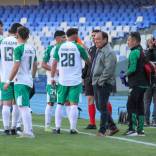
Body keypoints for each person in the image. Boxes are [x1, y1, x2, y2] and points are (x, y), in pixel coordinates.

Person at [51, 28, 90, 134]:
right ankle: (72, 128)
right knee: (74, 105)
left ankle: (57, 127)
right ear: (75, 35)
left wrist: (52, 78)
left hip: (63, 79)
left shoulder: (59, 46)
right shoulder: (78, 47)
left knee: (59, 104)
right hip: (75, 80)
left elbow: (54, 64)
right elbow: (88, 61)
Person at [4, 26, 37, 138]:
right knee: (24, 105)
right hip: (28, 80)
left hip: (20, 81)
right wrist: (31, 77)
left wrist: (8, 80)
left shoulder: (18, 49)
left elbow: (16, 65)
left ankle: (28, 131)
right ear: (27, 36)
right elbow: (35, 65)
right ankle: (28, 130)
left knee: (23, 106)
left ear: (17, 35)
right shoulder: (32, 48)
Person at [91, 31, 119, 136]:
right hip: (97, 82)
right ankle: (112, 126)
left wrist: (100, 81)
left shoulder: (109, 52)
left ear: (105, 40)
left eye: (98, 39)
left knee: (102, 107)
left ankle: (102, 130)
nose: (96, 41)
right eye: (95, 39)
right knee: (99, 106)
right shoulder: (100, 49)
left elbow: (109, 69)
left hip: (104, 83)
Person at [42, 30, 66, 132]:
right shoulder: (50, 49)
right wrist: (55, 70)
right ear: (57, 38)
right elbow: (43, 64)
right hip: (53, 81)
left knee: (64, 103)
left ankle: (64, 127)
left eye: (65, 37)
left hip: (65, 81)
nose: (65, 39)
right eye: (63, 37)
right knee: (51, 102)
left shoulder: (66, 48)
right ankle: (47, 126)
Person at [124, 32, 148, 136]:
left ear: (134, 41)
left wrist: (124, 74)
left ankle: (132, 129)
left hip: (135, 83)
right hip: (144, 84)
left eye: (129, 40)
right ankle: (141, 130)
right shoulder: (142, 51)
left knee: (131, 105)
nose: (127, 42)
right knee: (140, 105)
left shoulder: (134, 53)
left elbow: (132, 68)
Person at [0, 23, 22, 135]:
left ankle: (6, 128)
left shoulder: (2, 41)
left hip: (5, 77)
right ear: (18, 31)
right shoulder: (19, 42)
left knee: (6, 104)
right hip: (18, 77)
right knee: (16, 103)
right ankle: (14, 127)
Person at [82, 29, 100, 129]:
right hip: (89, 78)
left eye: (95, 36)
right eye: (92, 36)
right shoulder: (91, 49)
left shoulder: (104, 49)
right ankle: (92, 123)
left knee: (102, 101)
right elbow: (87, 65)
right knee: (90, 99)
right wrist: (83, 77)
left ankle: (108, 121)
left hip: (99, 78)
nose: (93, 38)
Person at [144, 38, 156, 126]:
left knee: (147, 101)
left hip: (148, 80)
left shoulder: (145, 52)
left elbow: (147, 59)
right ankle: (154, 120)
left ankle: (146, 120)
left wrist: (151, 48)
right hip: (150, 80)